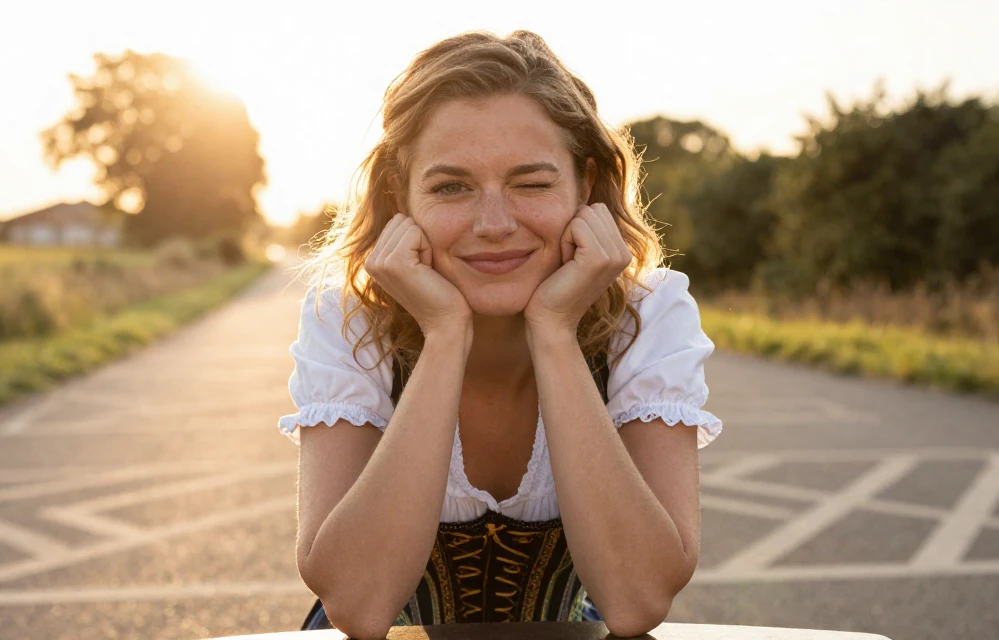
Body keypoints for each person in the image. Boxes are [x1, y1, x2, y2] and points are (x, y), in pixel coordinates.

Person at [277, 30, 722, 640]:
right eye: (451, 186)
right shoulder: (348, 321)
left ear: (585, 184)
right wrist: (443, 334)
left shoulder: (649, 314)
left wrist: (556, 333)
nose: (494, 224)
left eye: (532, 183)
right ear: (397, 194)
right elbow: (358, 605)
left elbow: (637, 598)